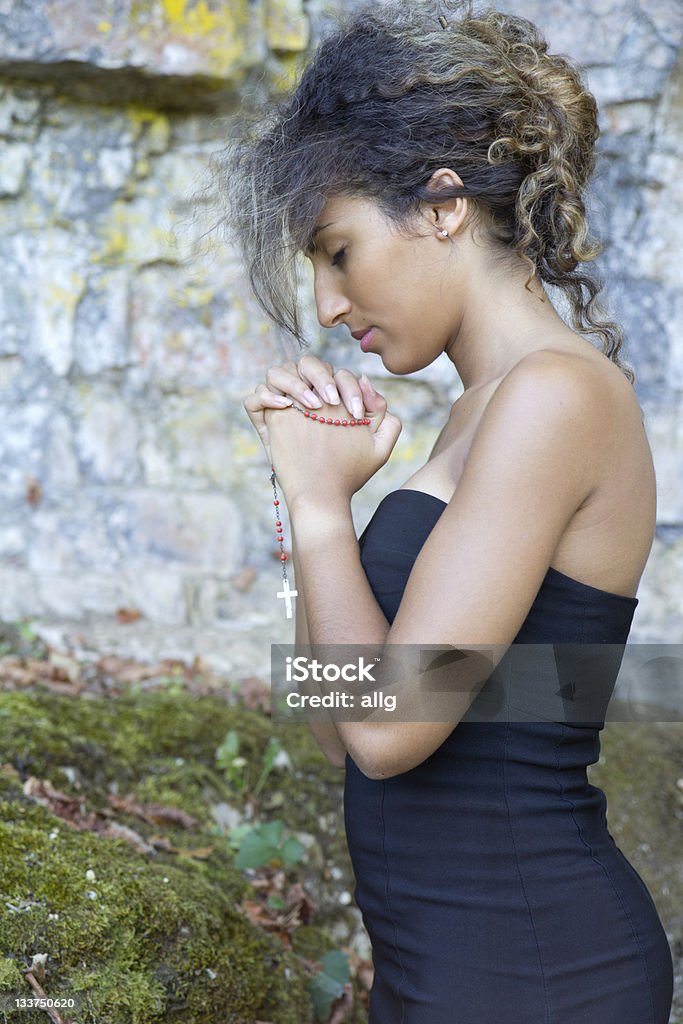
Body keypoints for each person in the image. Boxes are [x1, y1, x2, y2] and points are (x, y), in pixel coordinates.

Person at [228, 1, 675, 1020]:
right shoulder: (479, 411)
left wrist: (320, 507)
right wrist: (318, 510)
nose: (329, 305)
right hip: (450, 973)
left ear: (440, 204)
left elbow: (392, 731)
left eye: (336, 251)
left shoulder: (556, 396)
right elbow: (339, 732)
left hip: (537, 972)